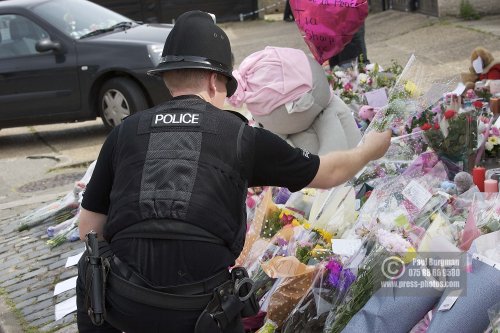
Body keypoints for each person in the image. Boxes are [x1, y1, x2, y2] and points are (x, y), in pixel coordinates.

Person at [76, 10, 391, 333]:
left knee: (90, 267)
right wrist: (369, 150)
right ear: (215, 80)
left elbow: (89, 227)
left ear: (168, 78)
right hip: (201, 313)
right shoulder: (241, 137)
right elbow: (328, 173)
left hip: (128, 306)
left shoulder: (125, 132)